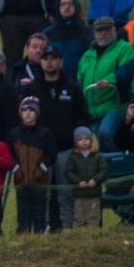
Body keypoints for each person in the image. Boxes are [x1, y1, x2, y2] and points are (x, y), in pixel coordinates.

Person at [19, 45, 87, 230]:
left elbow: (82, 115)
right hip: (40, 150)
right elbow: (23, 117)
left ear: (60, 61)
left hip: (66, 148)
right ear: (40, 62)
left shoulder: (72, 86)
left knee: (66, 193)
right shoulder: (31, 88)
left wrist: (77, 138)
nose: (49, 62)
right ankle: (44, 230)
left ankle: (68, 230)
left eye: (53, 58)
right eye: (45, 59)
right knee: (42, 194)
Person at [75, 16, 134, 151]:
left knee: (105, 133)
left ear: (114, 30)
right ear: (94, 33)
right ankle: (106, 162)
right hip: (91, 108)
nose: (103, 33)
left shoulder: (124, 48)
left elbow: (126, 72)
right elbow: (80, 80)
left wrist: (109, 80)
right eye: (100, 30)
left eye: (107, 30)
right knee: (95, 141)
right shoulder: (87, 55)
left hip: (113, 104)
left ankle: (118, 160)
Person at [7, 97, 56, 233]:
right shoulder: (13, 134)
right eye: (24, 110)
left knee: (39, 212)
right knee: (23, 213)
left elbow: (51, 154)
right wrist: (16, 169)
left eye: (31, 110)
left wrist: (41, 168)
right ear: (20, 113)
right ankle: (23, 237)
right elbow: (9, 155)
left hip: (39, 180)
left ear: (37, 113)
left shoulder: (45, 133)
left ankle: (39, 237)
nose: (28, 113)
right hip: (21, 180)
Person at [65, 127, 107, 228]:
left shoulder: (97, 155)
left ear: (91, 140)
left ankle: (93, 235)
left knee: (94, 217)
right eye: (80, 139)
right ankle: (81, 235)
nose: (84, 142)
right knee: (79, 217)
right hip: (79, 194)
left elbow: (104, 170)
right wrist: (78, 181)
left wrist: (95, 180)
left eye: (87, 139)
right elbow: (69, 172)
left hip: (94, 194)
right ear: (76, 142)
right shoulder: (72, 157)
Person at [42, 0, 92, 69]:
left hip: (79, 74)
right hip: (55, 74)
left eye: (70, 4)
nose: (67, 7)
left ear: (76, 7)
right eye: (63, 4)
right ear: (58, 8)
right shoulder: (48, 33)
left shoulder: (86, 31)